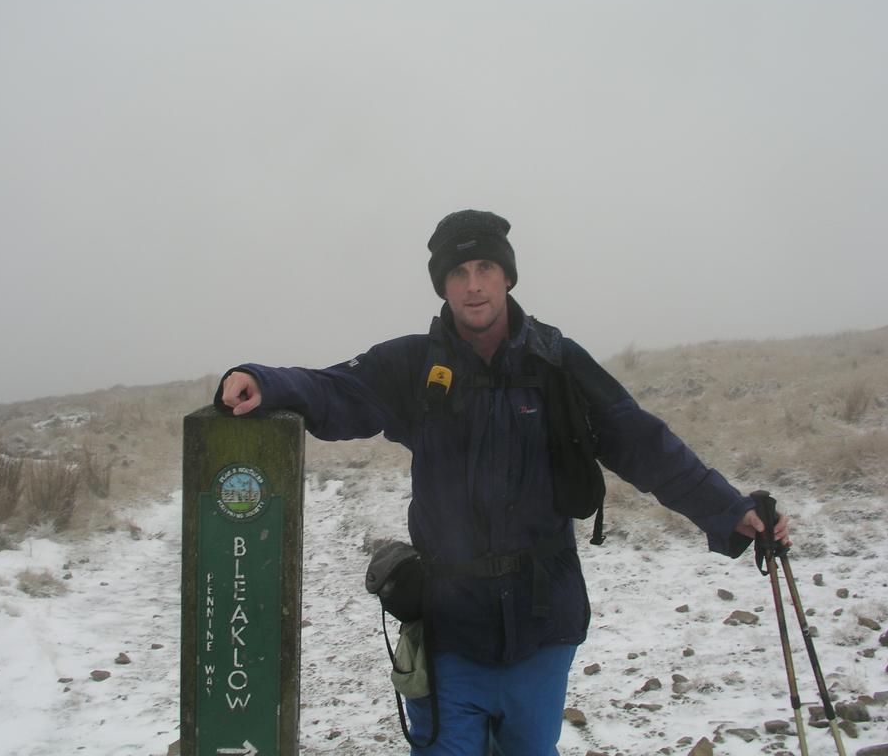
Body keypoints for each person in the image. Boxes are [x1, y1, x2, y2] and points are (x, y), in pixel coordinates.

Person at [217, 209, 790, 756]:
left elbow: (642, 442)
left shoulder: (556, 364)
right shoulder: (417, 367)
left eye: (486, 269)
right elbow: (337, 391)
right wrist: (264, 382)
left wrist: (730, 510)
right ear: (442, 287)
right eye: (458, 274)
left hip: (544, 623)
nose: (473, 286)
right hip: (452, 625)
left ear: (508, 276)